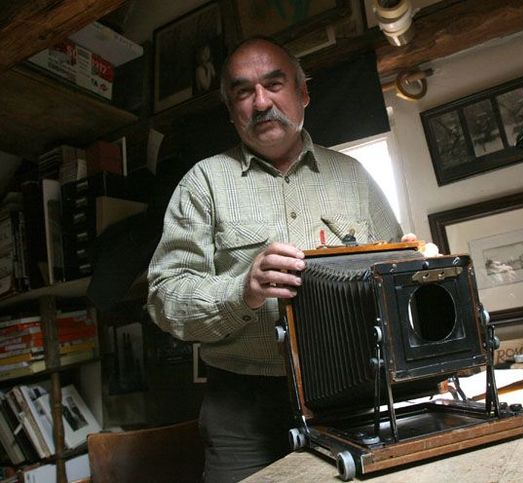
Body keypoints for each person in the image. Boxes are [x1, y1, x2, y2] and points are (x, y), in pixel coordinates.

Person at [146, 37, 413, 482]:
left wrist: (411, 270)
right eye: (243, 92)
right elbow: (164, 299)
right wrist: (242, 291)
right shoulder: (202, 184)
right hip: (243, 410)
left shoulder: (354, 177)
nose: (262, 102)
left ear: (303, 93)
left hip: (354, 396)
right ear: (231, 111)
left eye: (274, 84)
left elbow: (395, 278)